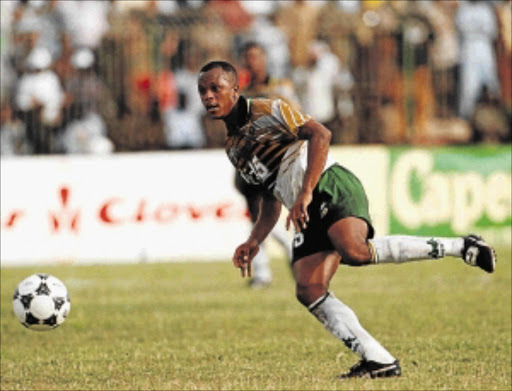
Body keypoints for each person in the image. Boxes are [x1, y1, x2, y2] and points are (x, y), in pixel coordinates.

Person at [196, 61, 497, 379]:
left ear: (235, 88)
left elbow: (320, 134)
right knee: (309, 287)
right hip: (303, 205)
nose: (208, 96)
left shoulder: (266, 110)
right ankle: (378, 360)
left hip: (328, 182)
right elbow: (270, 199)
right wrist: (254, 240)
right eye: (203, 90)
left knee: (354, 250)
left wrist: (306, 192)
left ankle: (462, 246)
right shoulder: (234, 147)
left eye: (216, 88)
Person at [237, 41, 298, 288]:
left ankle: (291, 257)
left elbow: (296, 115)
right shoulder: (242, 90)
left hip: (273, 160)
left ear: (264, 59)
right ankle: (263, 272)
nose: (253, 61)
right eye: (249, 57)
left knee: (267, 216)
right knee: (255, 217)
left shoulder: (279, 86)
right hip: (249, 162)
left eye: (257, 56)